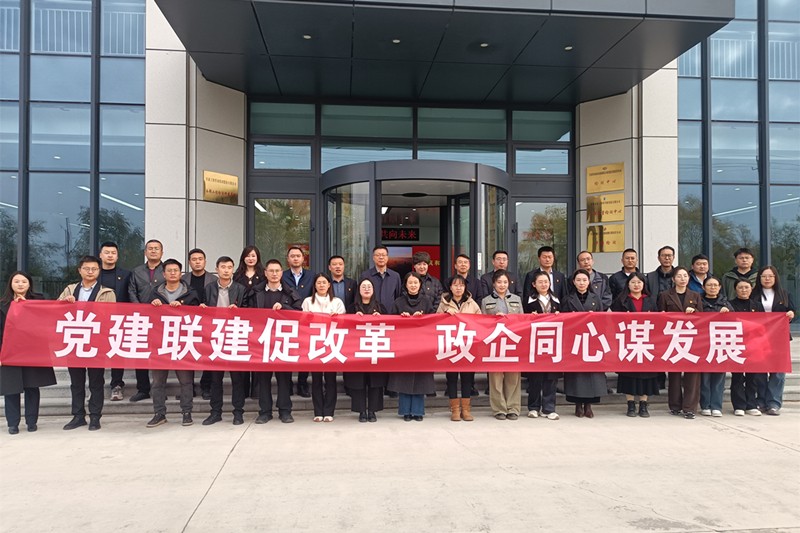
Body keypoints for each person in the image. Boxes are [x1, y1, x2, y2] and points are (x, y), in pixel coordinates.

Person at [58, 255, 117, 431]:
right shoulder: (69, 290)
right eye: (86, 268)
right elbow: (55, 310)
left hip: (96, 342)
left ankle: (95, 416)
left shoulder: (107, 292)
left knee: (96, 381)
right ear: (80, 270)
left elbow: (111, 317)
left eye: (94, 269)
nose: (90, 272)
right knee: (76, 382)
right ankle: (78, 416)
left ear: (99, 271)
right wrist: (64, 303)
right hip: (74, 341)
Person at [245, 259, 302, 423]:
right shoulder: (255, 292)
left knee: (284, 379)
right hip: (261, 342)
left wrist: (284, 308)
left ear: (282, 273)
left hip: (283, 341)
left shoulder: (290, 292)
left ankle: (285, 411)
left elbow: (299, 313)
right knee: (263, 379)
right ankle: (265, 412)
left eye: (277, 271)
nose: (274, 274)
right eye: (271, 271)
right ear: (265, 273)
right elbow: (247, 312)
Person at [145, 258, 200, 428]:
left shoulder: (190, 293)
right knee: (158, 381)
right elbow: (145, 315)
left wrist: (184, 307)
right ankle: (159, 413)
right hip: (160, 342)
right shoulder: (155, 293)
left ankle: (187, 412)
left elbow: (199, 316)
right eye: (169, 271)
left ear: (181, 273)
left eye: (176, 270)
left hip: (183, 341)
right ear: (164, 274)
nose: (173, 273)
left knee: (186, 381)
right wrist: (152, 305)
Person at [0, 272, 57, 434]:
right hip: (9, 352)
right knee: (11, 388)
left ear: (29, 284)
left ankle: (32, 421)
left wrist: (26, 306)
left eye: (24, 281)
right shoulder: (3, 304)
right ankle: (13, 423)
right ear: (11, 284)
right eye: (16, 281)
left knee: (32, 387)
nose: (20, 284)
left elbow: (49, 317)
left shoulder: (38, 301)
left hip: (32, 351)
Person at [198, 256, 248, 425]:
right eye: (223, 267)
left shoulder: (240, 289)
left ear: (233, 269)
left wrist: (239, 310)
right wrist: (202, 308)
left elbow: (249, 311)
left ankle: (238, 412)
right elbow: (203, 307)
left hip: (234, 336)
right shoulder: (209, 288)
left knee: (237, 378)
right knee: (215, 378)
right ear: (216, 269)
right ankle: (215, 412)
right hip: (215, 336)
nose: (226, 270)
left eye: (229, 267)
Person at [610, 272, 659, 418]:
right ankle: (630, 404)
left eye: (639, 282)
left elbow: (658, 321)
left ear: (644, 284)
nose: (636, 285)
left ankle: (643, 404)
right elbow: (614, 321)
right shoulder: (621, 300)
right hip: (627, 341)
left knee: (646, 373)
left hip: (646, 341)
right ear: (628, 284)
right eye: (633, 282)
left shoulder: (650, 300)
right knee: (629, 374)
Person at [657, 266, 703, 419]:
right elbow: (660, 317)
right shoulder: (665, 295)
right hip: (673, 338)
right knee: (674, 374)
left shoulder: (695, 296)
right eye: (679, 276)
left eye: (685, 276)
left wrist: (695, 312)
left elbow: (702, 318)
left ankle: (690, 408)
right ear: (673, 279)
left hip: (691, 338)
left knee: (692, 375)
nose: (682, 279)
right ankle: (675, 405)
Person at [388, 272, 434, 421]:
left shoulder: (427, 302)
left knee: (420, 380)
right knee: (404, 379)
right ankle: (405, 411)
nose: (413, 285)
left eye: (416, 283)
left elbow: (434, 322)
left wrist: (423, 318)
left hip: (422, 347)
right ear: (405, 285)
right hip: (404, 347)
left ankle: (418, 412)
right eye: (410, 283)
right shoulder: (398, 302)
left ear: (420, 285)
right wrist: (401, 319)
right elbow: (391, 323)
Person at [561, 269, 606, 418]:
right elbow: (562, 320)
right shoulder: (567, 299)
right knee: (576, 374)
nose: (581, 283)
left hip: (591, 339)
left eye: (584, 280)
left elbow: (602, 319)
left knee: (591, 373)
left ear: (589, 282)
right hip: (574, 340)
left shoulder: (595, 298)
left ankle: (588, 405)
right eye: (578, 280)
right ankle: (577, 404)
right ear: (573, 282)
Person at [302, 273, 345, 422]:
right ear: (314, 285)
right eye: (318, 283)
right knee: (316, 380)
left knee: (331, 379)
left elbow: (345, 323)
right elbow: (302, 322)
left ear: (329, 285)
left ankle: (329, 411)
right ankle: (318, 411)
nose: (321, 285)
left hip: (331, 344)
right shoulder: (307, 302)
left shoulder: (337, 302)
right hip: (314, 344)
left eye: (324, 282)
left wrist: (337, 317)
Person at [752, 266, 795, 416]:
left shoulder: (784, 294)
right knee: (760, 369)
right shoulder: (753, 294)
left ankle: (774, 403)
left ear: (775, 278)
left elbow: (792, 311)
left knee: (778, 370)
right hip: (758, 337)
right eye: (764, 276)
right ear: (759, 278)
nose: (767, 279)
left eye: (770, 276)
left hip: (779, 337)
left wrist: (791, 314)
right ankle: (761, 401)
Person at [436, 275, 480, 422]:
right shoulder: (444, 303)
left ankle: (466, 410)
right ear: (450, 287)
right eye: (455, 285)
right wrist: (445, 315)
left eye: (461, 285)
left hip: (468, 346)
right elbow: (436, 321)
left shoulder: (472, 303)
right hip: (451, 346)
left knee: (467, 378)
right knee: (452, 378)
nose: (458, 288)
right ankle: (454, 409)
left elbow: (480, 322)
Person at [481, 269, 523, 420]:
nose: (502, 285)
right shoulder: (486, 301)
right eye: (499, 282)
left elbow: (522, 320)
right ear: (493, 284)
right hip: (495, 343)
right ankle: (499, 408)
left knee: (513, 377)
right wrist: (494, 319)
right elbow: (481, 323)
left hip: (512, 342)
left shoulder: (517, 299)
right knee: (496, 377)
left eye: (505, 282)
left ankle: (513, 408)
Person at [343, 278, 387, 422]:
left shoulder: (381, 308)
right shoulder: (351, 308)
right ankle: (361, 411)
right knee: (358, 381)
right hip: (357, 351)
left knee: (375, 381)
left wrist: (381, 319)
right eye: (363, 286)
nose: (366, 289)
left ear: (373, 290)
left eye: (369, 286)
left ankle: (373, 410)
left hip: (375, 350)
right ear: (359, 290)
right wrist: (353, 319)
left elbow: (390, 328)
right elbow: (344, 328)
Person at [126, 239, 165, 402]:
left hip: (162, 318)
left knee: (161, 354)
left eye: (156, 249)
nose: (153, 251)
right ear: (145, 252)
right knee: (140, 353)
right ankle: (143, 389)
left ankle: (160, 389)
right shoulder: (137, 271)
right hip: (141, 317)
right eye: (150, 248)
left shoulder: (167, 269)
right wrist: (140, 309)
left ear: (162, 252)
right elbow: (131, 291)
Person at [522, 271, 561, 420]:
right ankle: (533, 407)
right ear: (534, 284)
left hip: (552, 342)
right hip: (534, 342)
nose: (544, 284)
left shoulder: (557, 300)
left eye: (546, 282)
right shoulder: (528, 301)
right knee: (535, 377)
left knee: (551, 377)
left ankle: (549, 408)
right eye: (540, 282)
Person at [182, 248, 217, 400]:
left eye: (200, 259)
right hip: (187, 322)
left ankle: (206, 386)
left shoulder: (213, 279)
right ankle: (188, 387)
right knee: (187, 353)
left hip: (208, 322)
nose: (197, 262)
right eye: (194, 259)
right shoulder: (183, 279)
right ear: (189, 262)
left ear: (205, 261)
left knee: (208, 354)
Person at [98, 241, 131, 402]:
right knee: (97, 353)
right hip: (97, 320)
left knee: (117, 353)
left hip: (119, 320)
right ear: (101, 255)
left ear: (117, 256)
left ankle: (117, 385)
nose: (110, 255)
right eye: (107, 252)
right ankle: (96, 386)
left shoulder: (126, 274)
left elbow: (130, 295)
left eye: (113, 253)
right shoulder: (93, 273)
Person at [728, 279, 766, 416]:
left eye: (746, 287)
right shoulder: (729, 305)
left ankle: (751, 404)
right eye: (740, 287)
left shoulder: (758, 305)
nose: (744, 290)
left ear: (751, 289)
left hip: (753, 344)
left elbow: (763, 324)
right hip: (736, 343)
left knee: (752, 376)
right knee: (737, 376)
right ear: (735, 289)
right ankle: (739, 405)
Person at [283, 246, 313, 399]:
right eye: (292, 256)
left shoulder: (311, 276)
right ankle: (287, 384)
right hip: (287, 318)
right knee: (287, 350)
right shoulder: (282, 275)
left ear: (303, 258)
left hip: (306, 320)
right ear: (288, 259)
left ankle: (302, 383)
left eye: (298, 256)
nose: (295, 258)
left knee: (304, 351)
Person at [699, 275, 732, 417]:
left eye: (715, 285)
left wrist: (727, 313)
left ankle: (716, 406)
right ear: (703, 287)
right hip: (703, 344)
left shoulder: (726, 303)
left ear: (720, 287)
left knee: (719, 376)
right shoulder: (698, 302)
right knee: (704, 377)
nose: (712, 288)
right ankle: (705, 405)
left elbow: (735, 321)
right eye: (709, 285)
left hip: (720, 344)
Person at [361, 245, 403, 314]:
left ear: (387, 257)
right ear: (373, 258)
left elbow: (398, 297)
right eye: (378, 255)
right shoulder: (365, 275)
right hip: (371, 315)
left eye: (383, 255)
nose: (381, 257)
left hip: (390, 315)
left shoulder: (395, 276)